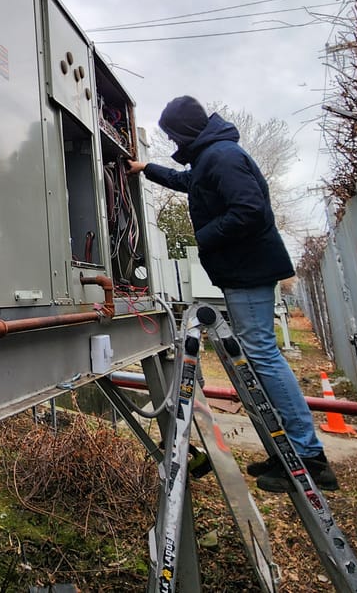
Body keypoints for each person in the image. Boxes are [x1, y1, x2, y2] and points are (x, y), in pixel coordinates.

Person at [126, 95, 338, 493]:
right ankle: (287, 452)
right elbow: (188, 182)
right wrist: (146, 169)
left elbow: (251, 210)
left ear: (185, 130)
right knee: (259, 354)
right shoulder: (211, 157)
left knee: (262, 354)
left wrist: (204, 236)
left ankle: (309, 456)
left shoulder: (221, 156)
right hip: (243, 271)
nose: (171, 139)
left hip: (249, 272)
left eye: (172, 132)